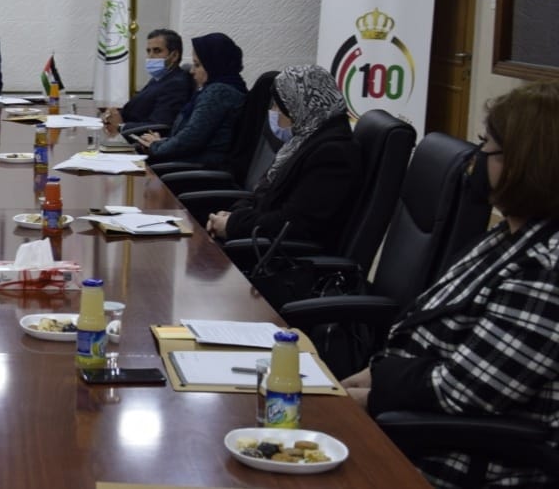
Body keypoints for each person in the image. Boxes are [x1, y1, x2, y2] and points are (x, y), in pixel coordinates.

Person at [341, 81, 559, 489]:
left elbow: (469, 390)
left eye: (486, 146)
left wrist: (364, 398)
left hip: (454, 461)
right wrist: (369, 377)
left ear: (522, 165)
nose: (476, 159)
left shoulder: (546, 269)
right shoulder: (508, 238)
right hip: (409, 423)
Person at [205, 65, 361, 245]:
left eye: (278, 105)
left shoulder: (333, 155)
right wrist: (231, 215)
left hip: (283, 255)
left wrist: (232, 225)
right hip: (260, 238)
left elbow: (293, 223)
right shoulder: (302, 141)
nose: (273, 111)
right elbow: (261, 195)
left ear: (298, 106)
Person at [137, 32, 247, 167]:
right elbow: (190, 135)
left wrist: (156, 146)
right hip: (190, 161)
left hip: (199, 167)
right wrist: (160, 143)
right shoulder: (220, 88)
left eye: (197, 65)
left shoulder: (219, 92)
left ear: (214, 65)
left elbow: (190, 139)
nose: (191, 71)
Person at [101, 28, 193, 133]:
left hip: (139, 139)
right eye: (148, 51)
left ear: (174, 55)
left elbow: (160, 125)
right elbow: (139, 108)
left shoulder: (176, 84)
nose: (150, 56)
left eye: (157, 51)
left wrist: (121, 126)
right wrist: (114, 114)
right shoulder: (160, 78)